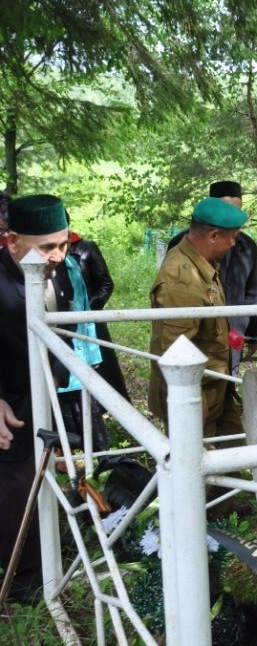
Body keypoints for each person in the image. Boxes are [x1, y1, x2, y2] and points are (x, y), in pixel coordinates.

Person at [0, 194, 73, 603]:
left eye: (63, 244)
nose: (59, 255)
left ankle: (43, 566)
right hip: (9, 403)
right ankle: (26, 584)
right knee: (15, 489)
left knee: (37, 480)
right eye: (48, 246)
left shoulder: (56, 269)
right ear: (12, 241)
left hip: (43, 395)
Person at [149, 198, 248, 440]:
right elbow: (175, 347)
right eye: (231, 237)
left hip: (215, 390)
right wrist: (195, 398)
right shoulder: (182, 277)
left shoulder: (201, 264)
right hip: (193, 396)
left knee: (233, 456)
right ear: (213, 235)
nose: (234, 243)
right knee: (195, 470)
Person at [167, 181, 257, 375]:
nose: (232, 216)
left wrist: (253, 331)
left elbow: (251, 291)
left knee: (227, 379)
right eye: (226, 210)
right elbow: (175, 338)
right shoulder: (183, 247)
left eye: (237, 210)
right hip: (200, 337)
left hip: (234, 331)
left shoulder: (247, 246)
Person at [67, 218, 131, 404]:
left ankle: (114, 406)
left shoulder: (87, 247)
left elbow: (106, 283)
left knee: (104, 365)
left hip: (91, 319)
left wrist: (89, 309)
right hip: (66, 322)